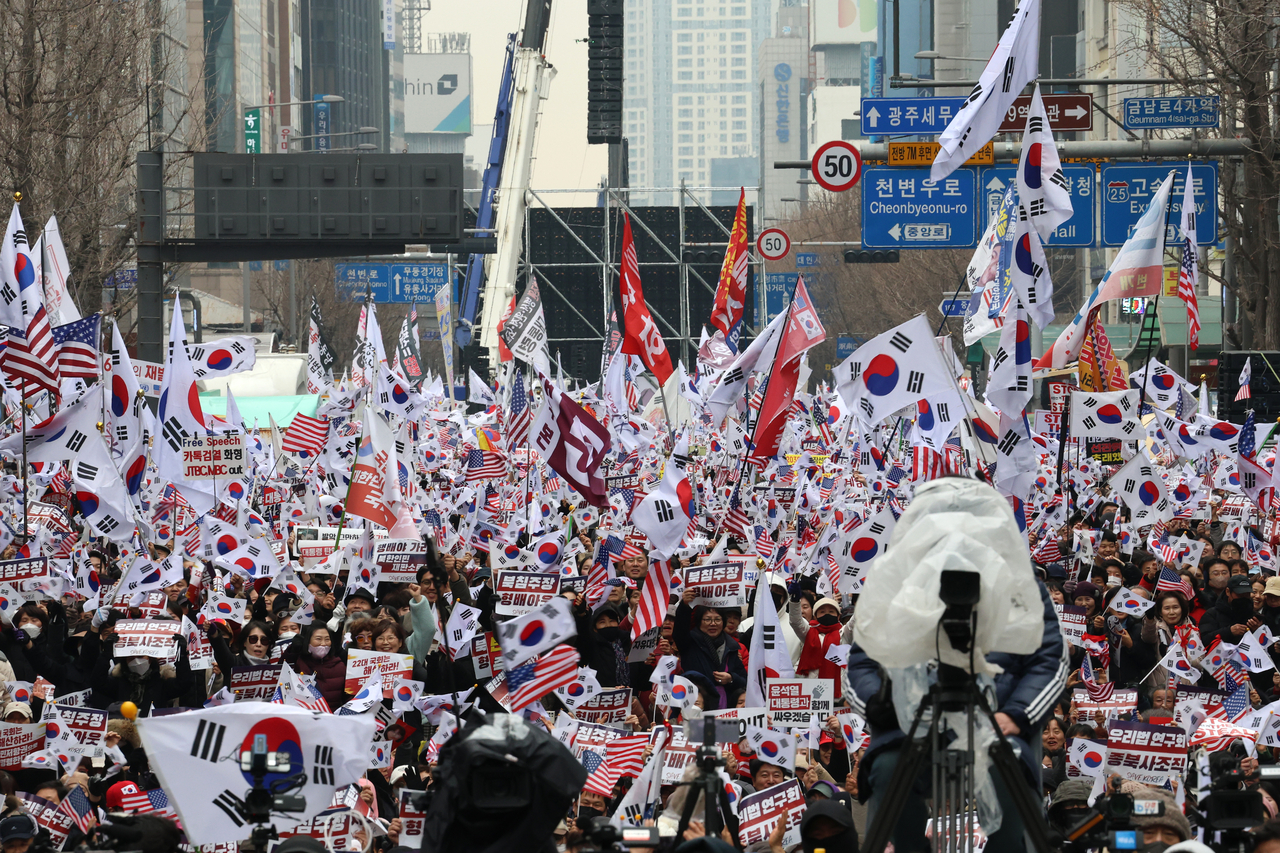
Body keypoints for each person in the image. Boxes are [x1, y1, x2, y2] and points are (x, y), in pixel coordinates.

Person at [674, 591, 747, 710]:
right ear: (699, 622)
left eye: (717, 619)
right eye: (707, 619)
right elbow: (680, 629)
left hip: (726, 710)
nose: (713, 624)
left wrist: (731, 678)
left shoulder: (732, 647)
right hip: (697, 707)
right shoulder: (689, 642)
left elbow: (744, 680)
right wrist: (685, 605)